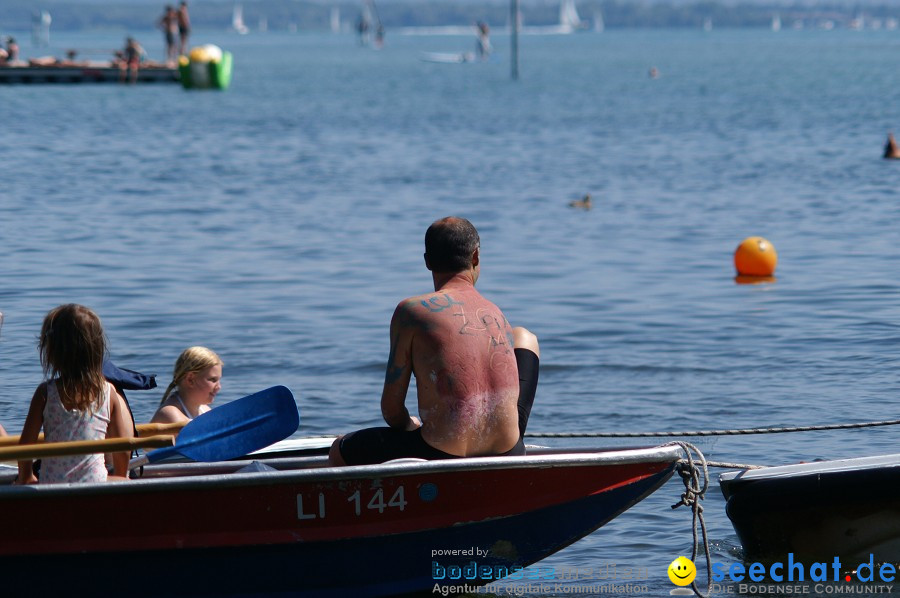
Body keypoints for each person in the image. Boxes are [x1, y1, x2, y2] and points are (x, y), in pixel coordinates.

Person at [329, 217, 540, 466]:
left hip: (440, 454)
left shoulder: (411, 312)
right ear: (475, 257)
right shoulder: (496, 314)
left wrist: (409, 426)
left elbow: (392, 411)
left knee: (339, 449)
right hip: (509, 451)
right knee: (525, 337)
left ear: (427, 261)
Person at [16, 305, 134, 484]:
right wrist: (121, 475)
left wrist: (26, 477)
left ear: (53, 352)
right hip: (95, 481)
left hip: (52, 482)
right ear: (96, 350)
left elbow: (25, 446)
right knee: (123, 479)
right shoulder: (109, 393)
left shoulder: (45, 393)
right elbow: (122, 448)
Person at [150, 346, 223, 424]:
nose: (219, 387)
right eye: (213, 380)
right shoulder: (171, 414)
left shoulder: (205, 410)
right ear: (190, 380)